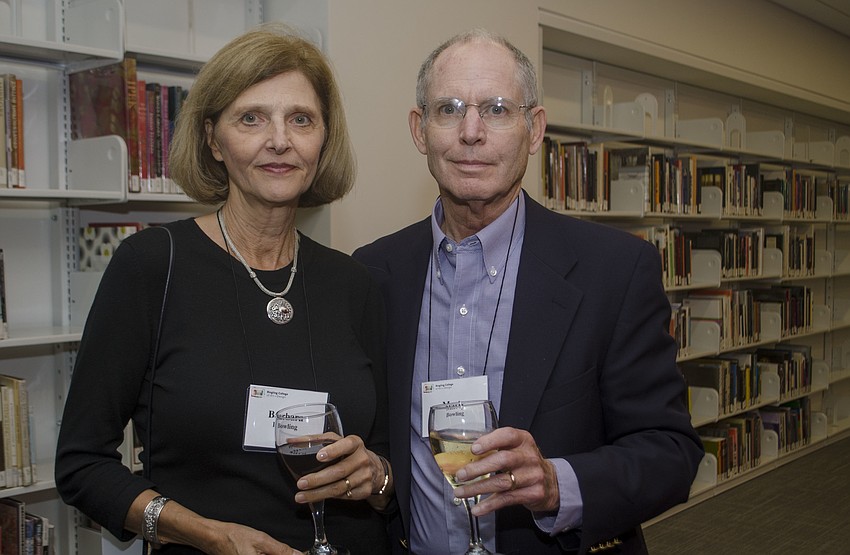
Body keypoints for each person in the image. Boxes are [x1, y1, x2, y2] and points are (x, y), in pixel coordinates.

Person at [352, 29, 704, 554]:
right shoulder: (375, 272)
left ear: (533, 128)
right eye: (448, 109)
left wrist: (558, 483)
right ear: (420, 129)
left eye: (496, 109)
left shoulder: (614, 270)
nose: (471, 132)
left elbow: (671, 452)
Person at [56, 23, 393, 555]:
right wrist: (210, 536)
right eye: (251, 118)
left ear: (323, 138)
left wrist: (376, 478)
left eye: (301, 119)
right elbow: (82, 465)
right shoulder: (150, 267)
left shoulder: (354, 282)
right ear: (213, 138)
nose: (279, 140)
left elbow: (388, 468)